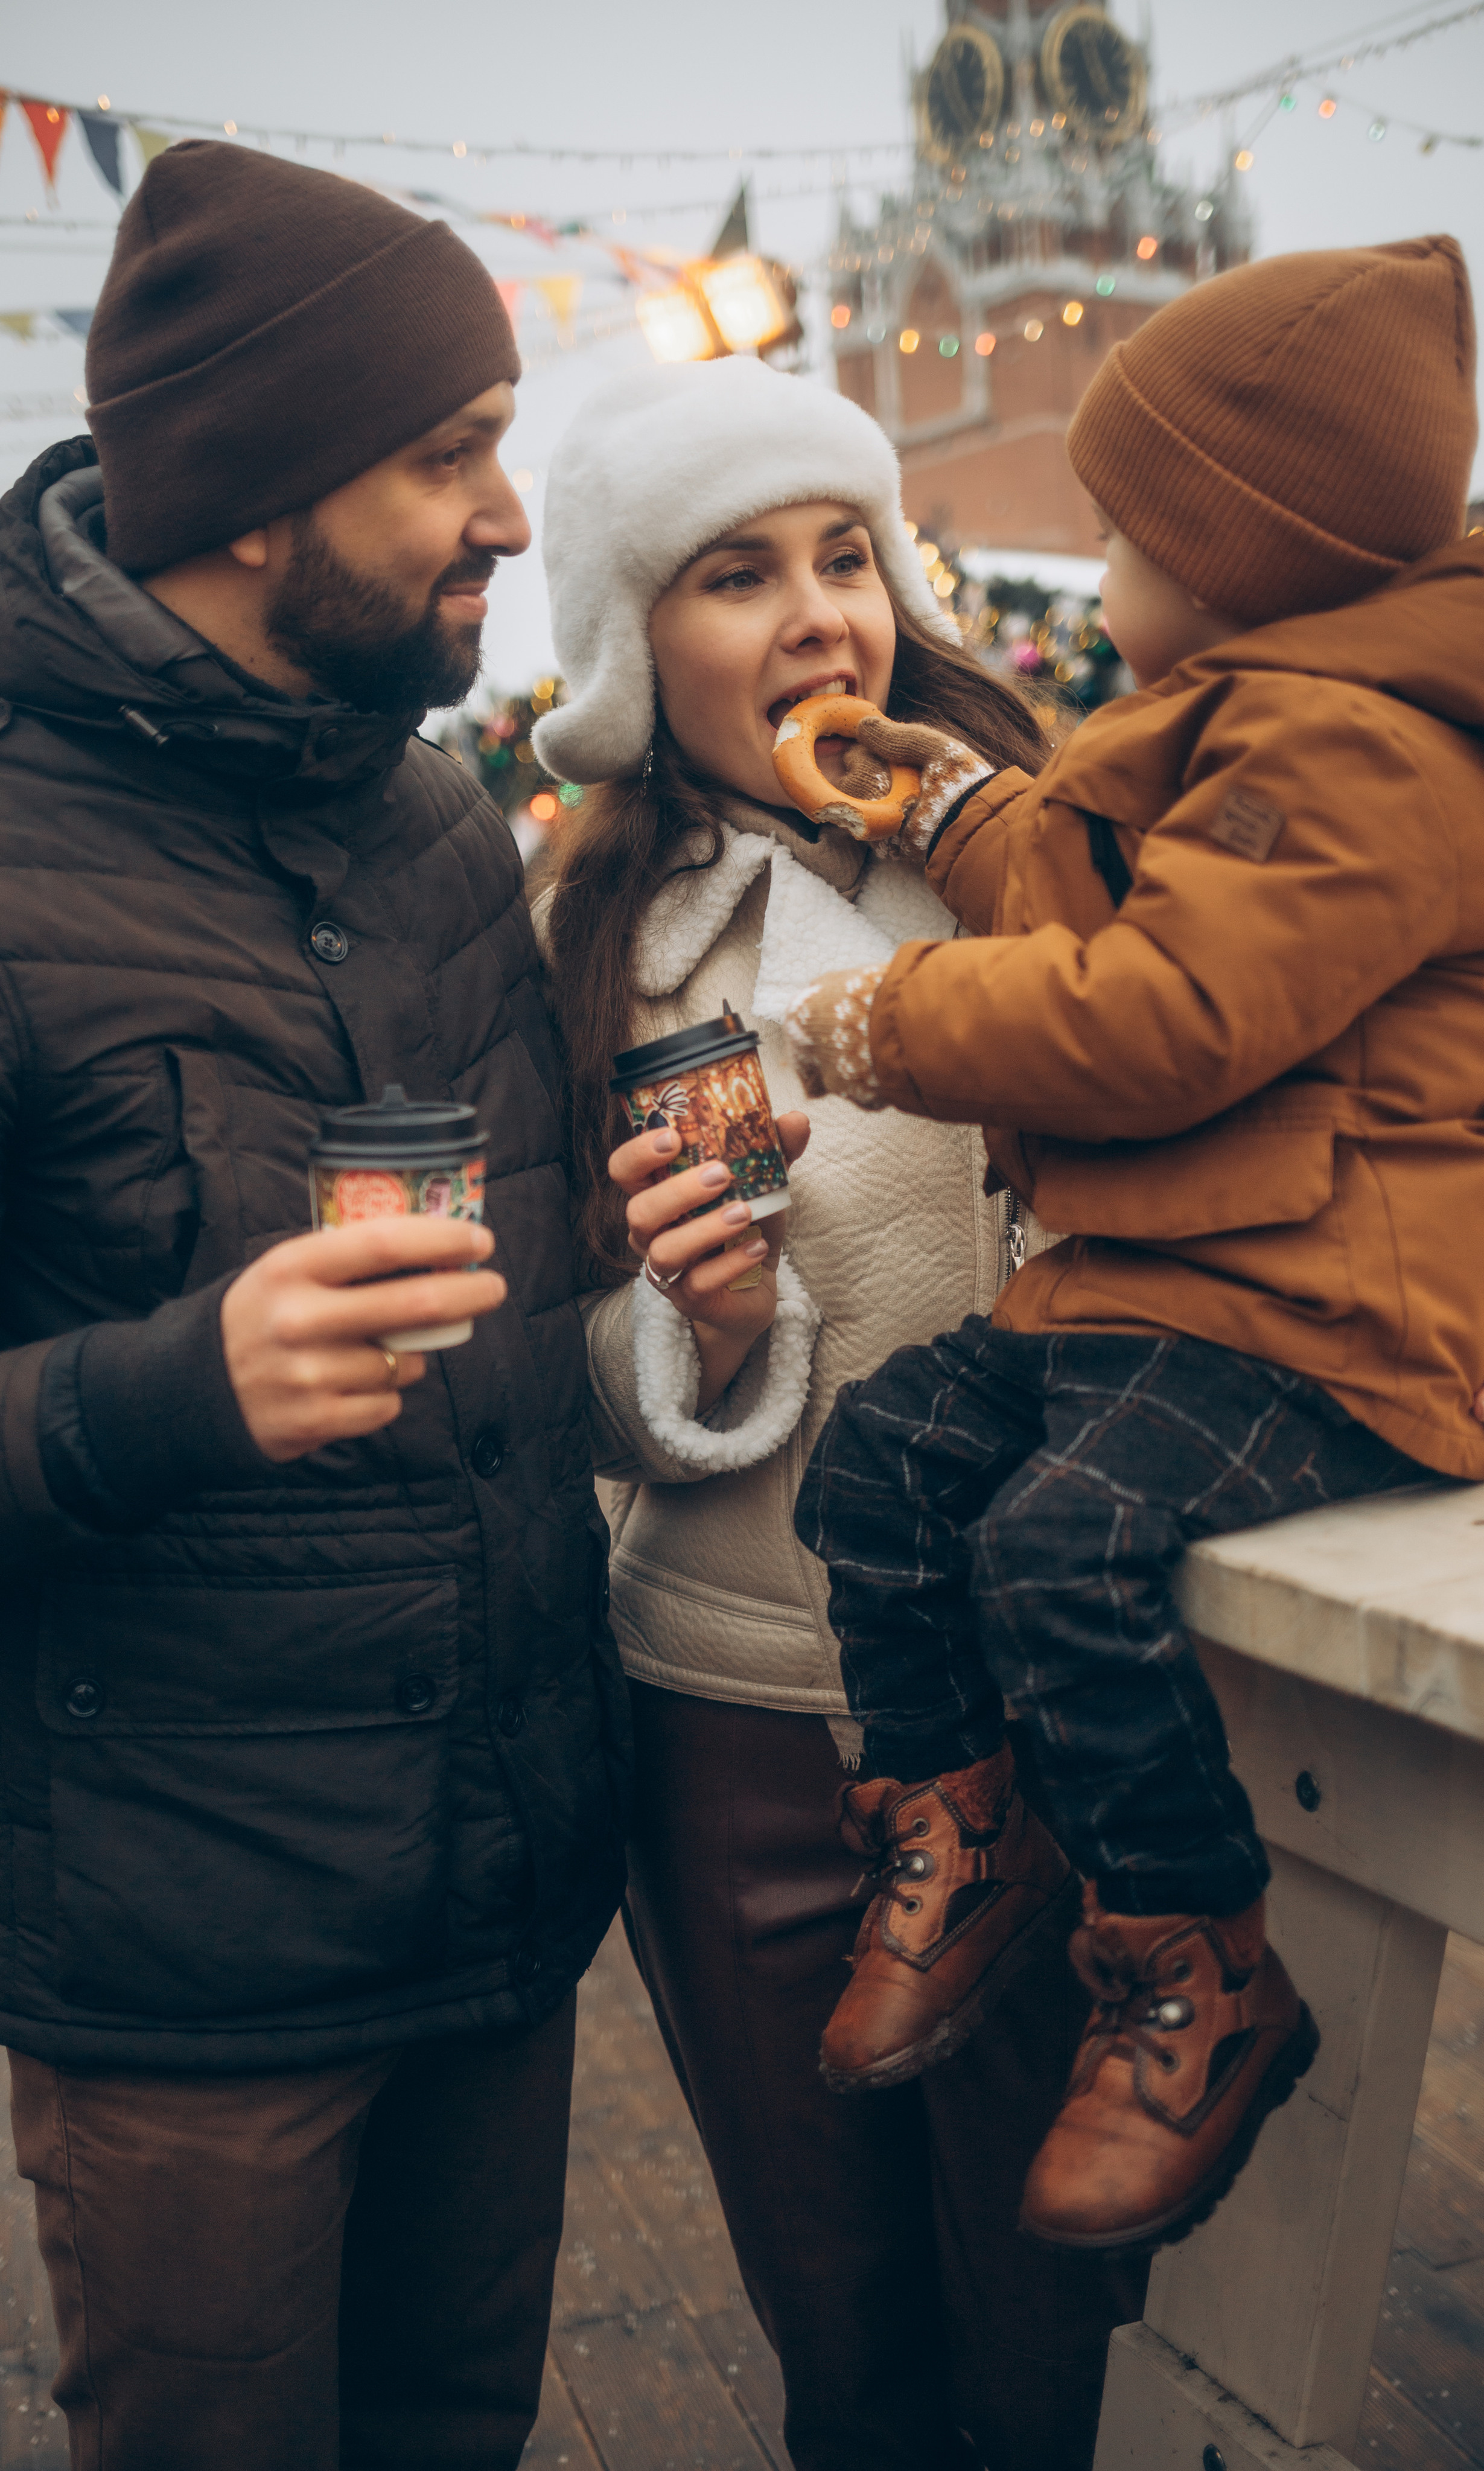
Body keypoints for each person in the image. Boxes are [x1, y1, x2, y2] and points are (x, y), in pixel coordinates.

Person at [783, 235, 1484, 2259]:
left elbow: (1164, 1012)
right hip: (1161, 1289)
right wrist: (954, 815)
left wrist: (886, 1026)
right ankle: (961, 1819)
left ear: (1235, 556)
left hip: (1316, 1309)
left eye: (1122, 532)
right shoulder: (1262, 723)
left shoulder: (1363, 755)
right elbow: (1106, 872)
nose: (1101, 566)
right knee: (880, 1458)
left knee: (1061, 1544)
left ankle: (1195, 1961)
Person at [0, 143, 626, 2469]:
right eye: (448, 456)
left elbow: (531, 1337)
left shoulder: (451, 828)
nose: (510, 516)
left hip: (503, 1914)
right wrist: (173, 1389)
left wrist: (681, 1278)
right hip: (196, 1993)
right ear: (258, 497)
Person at [532, 356, 1140, 2471]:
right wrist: (689, 1342)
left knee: (1053, 2352)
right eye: (735, 572)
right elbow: (558, 1359)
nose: (819, 615)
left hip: (1061, 1701)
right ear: (632, 646)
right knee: (853, 2359)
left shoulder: (1069, 847)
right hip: (741, 1724)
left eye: (845, 552)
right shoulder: (586, 938)